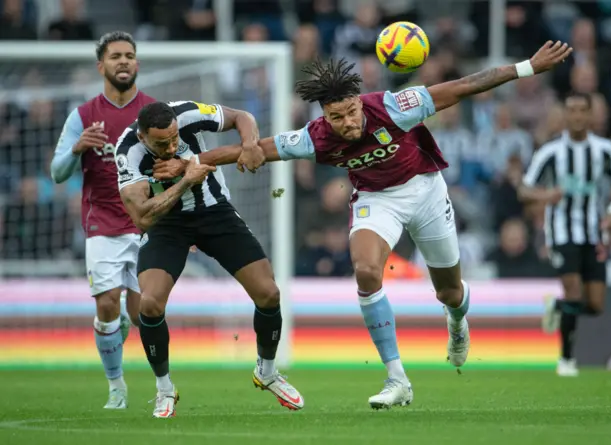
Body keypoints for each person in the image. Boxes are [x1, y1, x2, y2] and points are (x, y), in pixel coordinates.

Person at [153, 40, 573, 409]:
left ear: (359, 102)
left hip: (425, 190)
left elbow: (463, 86)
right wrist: (195, 162)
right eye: (338, 117)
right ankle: (396, 379)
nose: (348, 123)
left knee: (449, 289)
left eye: (351, 113)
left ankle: (457, 320)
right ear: (326, 115)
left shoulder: (393, 106)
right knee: (367, 271)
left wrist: (526, 68)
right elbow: (261, 147)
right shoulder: (314, 137)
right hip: (376, 200)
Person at [115, 100, 302, 418]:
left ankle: (267, 372)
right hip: (166, 225)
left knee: (269, 293)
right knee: (150, 304)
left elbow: (243, 117)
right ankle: (164, 389)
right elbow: (142, 218)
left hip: (215, 212)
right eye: (163, 143)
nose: (172, 146)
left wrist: (250, 144)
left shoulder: (186, 112)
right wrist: (188, 177)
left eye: (175, 138)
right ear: (143, 136)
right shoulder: (127, 152)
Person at [50, 31, 156, 409]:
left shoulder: (155, 113)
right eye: (115, 56)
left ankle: (160, 383)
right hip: (103, 225)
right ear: (102, 66)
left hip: (147, 223)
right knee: (107, 304)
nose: (123, 61)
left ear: (137, 63)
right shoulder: (83, 117)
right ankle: (117, 387)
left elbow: (174, 169)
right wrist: (77, 148)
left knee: (145, 312)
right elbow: (57, 173)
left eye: (129, 55)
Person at [519, 91, 611, 377]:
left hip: (593, 232)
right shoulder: (550, 152)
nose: (577, 116)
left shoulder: (604, 150)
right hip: (562, 232)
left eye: (582, 110)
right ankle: (566, 360)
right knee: (574, 291)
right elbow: (524, 189)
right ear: (564, 115)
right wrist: (546, 194)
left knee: (595, 304)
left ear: (590, 115)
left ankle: (559, 306)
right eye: (572, 110)